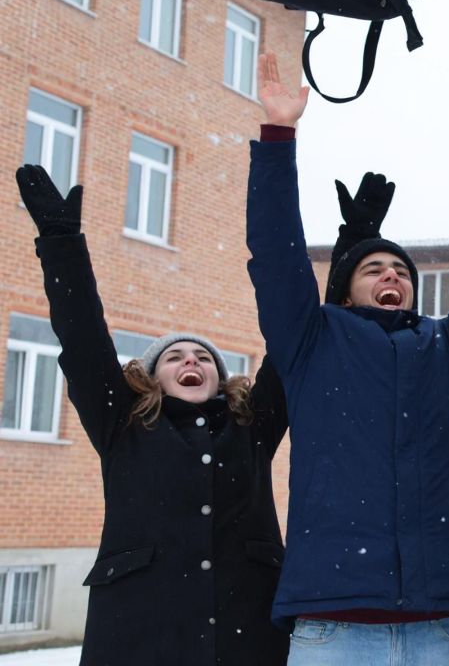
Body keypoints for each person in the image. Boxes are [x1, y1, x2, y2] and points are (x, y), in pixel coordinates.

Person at [246, 54, 449, 664]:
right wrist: (279, 136)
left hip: (431, 625)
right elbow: (274, 251)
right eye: (375, 269)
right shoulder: (312, 338)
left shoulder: (445, 345)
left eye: (402, 271)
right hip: (332, 621)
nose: (392, 276)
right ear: (343, 290)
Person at [15, 165, 289, 665]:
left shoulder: (252, 426)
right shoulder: (122, 424)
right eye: (175, 357)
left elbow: (295, 337)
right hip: (140, 638)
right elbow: (83, 340)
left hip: (247, 636)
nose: (192, 361)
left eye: (204, 358)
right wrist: (61, 244)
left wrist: (349, 254)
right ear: (150, 377)